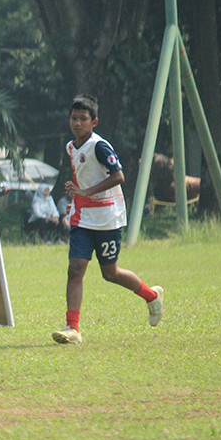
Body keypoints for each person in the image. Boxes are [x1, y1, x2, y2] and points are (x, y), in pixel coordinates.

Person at [53, 94, 163, 345]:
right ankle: (73, 328)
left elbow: (119, 176)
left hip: (108, 219)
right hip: (82, 217)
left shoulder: (100, 146)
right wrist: (76, 194)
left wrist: (85, 192)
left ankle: (151, 296)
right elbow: (85, 175)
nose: (77, 123)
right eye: (74, 118)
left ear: (94, 122)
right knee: (75, 269)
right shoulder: (71, 147)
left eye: (83, 119)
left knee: (110, 273)